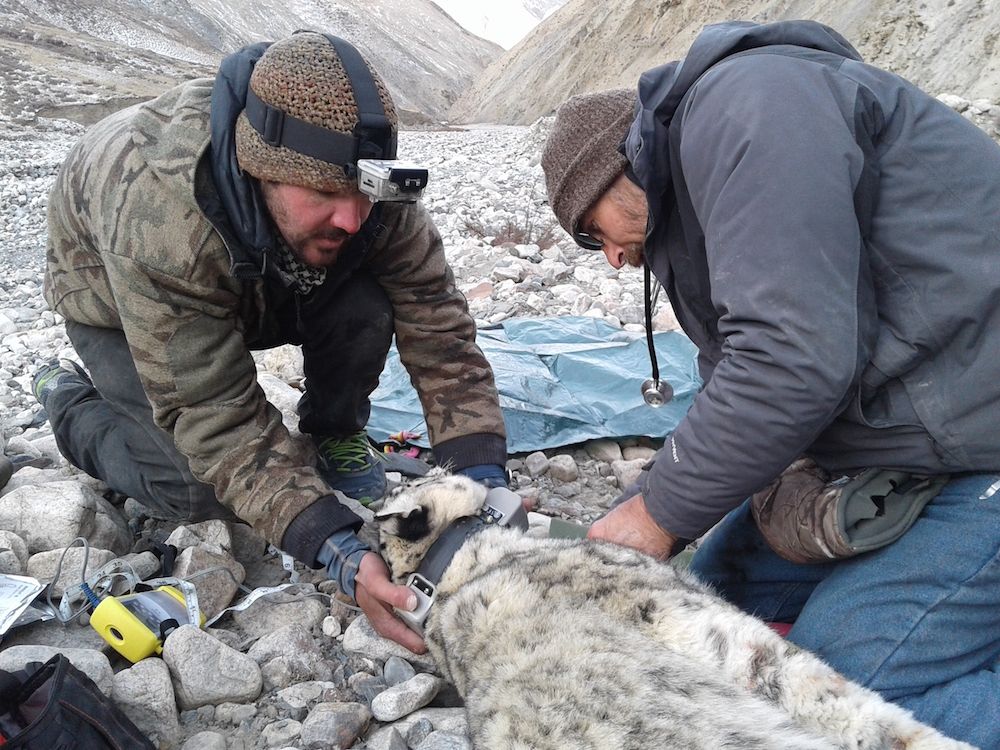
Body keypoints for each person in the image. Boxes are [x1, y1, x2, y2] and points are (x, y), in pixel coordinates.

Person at [541, 19, 1000, 748]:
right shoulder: (697, 203)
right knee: (715, 597)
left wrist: (654, 517)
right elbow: (736, 376)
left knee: (833, 685)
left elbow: (789, 362)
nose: (609, 261)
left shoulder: (750, 104)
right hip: (918, 438)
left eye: (589, 232)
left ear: (615, 171)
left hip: (981, 441)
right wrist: (649, 502)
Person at [36, 31, 508, 652]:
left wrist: (484, 481)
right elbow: (216, 416)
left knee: (368, 297)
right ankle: (65, 396)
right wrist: (337, 550)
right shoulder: (163, 222)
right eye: (324, 194)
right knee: (194, 487)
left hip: (260, 268)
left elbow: (438, 326)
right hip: (115, 299)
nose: (351, 216)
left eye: (361, 193)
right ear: (262, 169)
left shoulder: (369, 194)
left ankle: (335, 431)